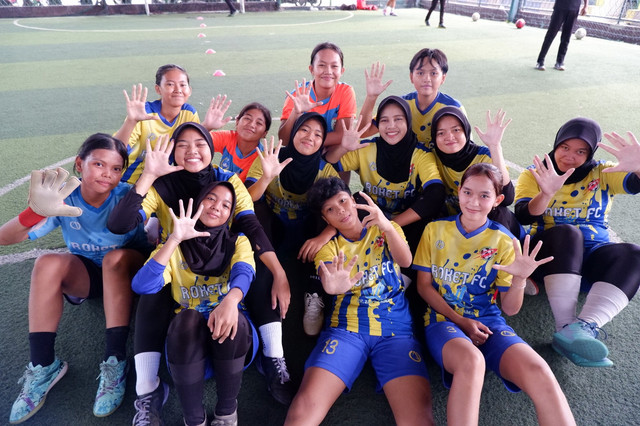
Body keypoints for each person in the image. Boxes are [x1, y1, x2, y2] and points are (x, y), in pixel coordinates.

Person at [107, 122, 293, 424]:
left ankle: (274, 358)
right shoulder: (162, 183)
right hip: (176, 254)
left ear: (211, 147)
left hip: (225, 254)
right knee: (154, 296)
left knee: (260, 273)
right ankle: (147, 391)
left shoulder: (227, 181)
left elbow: (251, 227)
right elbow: (120, 225)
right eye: (183, 144)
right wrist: (149, 176)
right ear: (172, 150)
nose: (192, 151)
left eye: (200, 143)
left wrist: (281, 274)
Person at [1, 134, 150, 424]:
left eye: (116, 168)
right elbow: (5, 238)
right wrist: (33, 212)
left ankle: (115, 360)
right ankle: (43, 365)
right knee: (46, 262)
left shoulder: (127, 196)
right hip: (91, 278)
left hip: (130, 273)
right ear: (79, 164)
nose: (107, 174)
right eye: (98, 163)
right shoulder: (63, 199)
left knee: (113, 259)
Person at [413, 163, 576, 426]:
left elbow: (510, 309)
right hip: (443, 321)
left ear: (498, 200)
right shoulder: (435, 230)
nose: (473, 202)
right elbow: (423, 287)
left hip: (489, 323)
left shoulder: (504, 241)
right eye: (468, 192)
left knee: (540, 371)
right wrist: (462, 321)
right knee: (472, 361)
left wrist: (520, 279)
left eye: (484, 195)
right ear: (459, 191)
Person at [285, 177, 434, 426]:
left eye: (343, 201)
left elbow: (406, 261)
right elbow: (327, 277)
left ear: (354, 202)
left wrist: (387, 227)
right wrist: (333, 285)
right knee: (302, 411)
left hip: (395, 331)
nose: (341, 210)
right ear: (326, 220)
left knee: (418, 419)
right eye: (330, 209)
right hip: (346, 330)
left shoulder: (386, 228)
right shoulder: (329, 247)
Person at [514, 118, 640, 367]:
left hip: (591, 261)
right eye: (565, 148)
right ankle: (565, 324)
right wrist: (546, 192)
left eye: (581, 151)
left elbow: (634, 183)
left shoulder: (602, 172)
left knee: (634, 253)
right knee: (569, 233)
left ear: (591, 152)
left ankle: (582, 328)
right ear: (556, 145)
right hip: (549, 259)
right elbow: (523, 215)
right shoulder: (535, 173)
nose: (570, 156)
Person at [131, 182, 256, 426]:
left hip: (234, 346)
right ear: (198, 202)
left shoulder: (237, 241)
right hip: (188, 350)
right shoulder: (173, 247)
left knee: (231, 317)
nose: (216, 207)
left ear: (230, 215)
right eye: (210, 198)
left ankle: (227, 414)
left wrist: (230, 300)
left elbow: (245, 271)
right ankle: (194, 420)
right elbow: (142, 285)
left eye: (225, 205)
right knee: (186, 318)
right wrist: (175, 239)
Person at [245, 112, 339, 337]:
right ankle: (264, 281)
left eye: (318, 134)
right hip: (274, 229)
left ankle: (314, 292)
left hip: (308, 233)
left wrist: (323, 236)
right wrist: (266, 178)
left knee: (326, 215)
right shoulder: (271, 158)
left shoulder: (324, 169)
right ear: (294, 132)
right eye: (304, 130)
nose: (310, 137)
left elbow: (347, 211)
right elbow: (246, 199)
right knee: (255, 211)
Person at [430, 106, 524, 238]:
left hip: (485, 217)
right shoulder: (431, 157)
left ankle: (509, 254)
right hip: (456, 220)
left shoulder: (483, 156)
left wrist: (495, 146)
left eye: (456, 130)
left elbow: (507, 198)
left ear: (466, 131)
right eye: (441, 133)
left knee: (497, 211)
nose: (449, 137)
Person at [359, 50, 465, 147]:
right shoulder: (400, 105)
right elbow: (363, 132)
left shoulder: (454, 108)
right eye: (420, 73)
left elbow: (465, 146)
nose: (426, 79)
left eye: (433, 73)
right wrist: (371, 97)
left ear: (443, 78)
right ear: (411, 77)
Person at [278, 42, 356, 151]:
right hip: (302, 152)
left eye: (334, 66)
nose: (328, 71)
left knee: (340, 156)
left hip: (327, 152)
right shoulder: (298, 94)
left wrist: (309, 141)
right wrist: (295, 112)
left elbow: (342, 135)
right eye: (321, 65)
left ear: (342, 71)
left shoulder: (345, 92)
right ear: (311, 69)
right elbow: (284, 139)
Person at [204, 100, 271, 183]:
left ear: (264, 133)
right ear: (237, 121)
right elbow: (192, 142)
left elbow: (249, 193)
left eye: (259, 123)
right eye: (247, 118)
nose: (251, 125)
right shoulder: (228, 137)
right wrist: (206, 127)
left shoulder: (261, 157)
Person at [535, 0, 588, 71]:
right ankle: (540, 61)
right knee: (551, 34)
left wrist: (585, 6)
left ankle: (560, 62)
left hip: (574, 8)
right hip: (560, 7)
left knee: (566, 36)